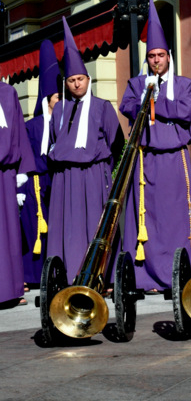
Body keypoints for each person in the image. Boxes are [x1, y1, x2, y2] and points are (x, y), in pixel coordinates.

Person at [119, 0, 191, 293]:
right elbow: (126, 106)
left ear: (169, 56)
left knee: (176, 217)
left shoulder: (184, 84)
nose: (156, 60)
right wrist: (148, 97)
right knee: (149, 218)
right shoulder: (136, 84)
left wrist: (156, 101)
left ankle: (180, 272)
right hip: (146, 160)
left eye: (161, 55)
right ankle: (148, 277)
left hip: (175, 159)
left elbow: (185, 110)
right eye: (152, 56)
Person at [47, 17, 124, 284]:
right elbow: (54, 143)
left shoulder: (103, 107)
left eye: (80, 79)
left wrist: (107, 175)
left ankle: (101, 275)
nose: (77, 84)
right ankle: (69, 276)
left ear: (88, 80)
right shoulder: (59, 110)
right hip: (65, 179)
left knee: (94, 225)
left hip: (94, 176)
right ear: (66, 83)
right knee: (68, 228)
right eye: (71, 80)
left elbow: (117, 144)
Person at [21, 40, 61, 287]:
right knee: (33, 227)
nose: (61, 99)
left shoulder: (66, 122)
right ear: (48, 98)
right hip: (34, 183)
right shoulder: (31, 126)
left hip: (57, 180)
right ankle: (31, 276)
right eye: (58, 96)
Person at [0, 80, 36, 306]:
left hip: (5, 173)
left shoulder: (8, 92)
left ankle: (9, 290)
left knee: (8, 233)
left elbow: (20, 131)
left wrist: (23, 171)